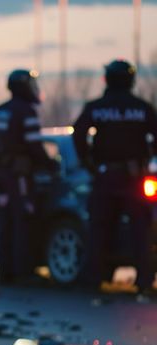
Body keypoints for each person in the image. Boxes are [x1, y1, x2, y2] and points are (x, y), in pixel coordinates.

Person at [72, 59, 157, 294]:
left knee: (99, 228)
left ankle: (93, 280)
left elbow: (78, 134)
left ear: (107, 79)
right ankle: (144, 282)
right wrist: (147, 158)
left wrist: (88, 162)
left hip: (105, 177)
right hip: (135, 178)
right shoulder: (142, 108)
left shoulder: (96, 107)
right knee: (141, 230)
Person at [0, 69, 56, 284]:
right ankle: (22, 271)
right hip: (19, 178)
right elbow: (35, 146)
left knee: (4, 223)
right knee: (22, 222)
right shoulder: (26, 112)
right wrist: (49, 165)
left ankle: (4, 271)